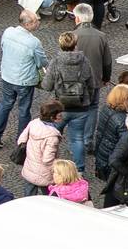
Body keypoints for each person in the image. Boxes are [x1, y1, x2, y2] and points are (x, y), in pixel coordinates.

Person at [40, 32, 99, 174]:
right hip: (81, 107)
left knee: (52, 135)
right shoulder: (84, 61)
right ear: (75, 44)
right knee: (77, 139)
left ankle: (51, 164)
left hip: (60, 108)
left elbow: (47, 85)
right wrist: (87, 99)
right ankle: (79, 170)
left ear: (60, 44)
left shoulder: (55, 61)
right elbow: (91, 85)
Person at [0, 11, 46, 148]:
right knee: (24, 110)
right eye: (36, 21)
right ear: (28, 24)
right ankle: (22, 140)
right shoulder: (34, 42)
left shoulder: (8, 32)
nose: (38, 22)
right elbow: (41, 62)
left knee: (5, 105)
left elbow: (3, 47)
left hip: (8, 76)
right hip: (24, 81)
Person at [17, 100, 65, 196]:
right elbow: (47, 159)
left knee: (28, 197)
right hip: (45, 173)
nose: (62, 117)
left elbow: (21, 140)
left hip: (29, 168)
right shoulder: (52, 137)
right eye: (59, 115)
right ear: (52, 117)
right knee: (49, 196)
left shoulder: (34, 123)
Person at [94, 84, 128, 181]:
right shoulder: (122, 120)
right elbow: (127, 143)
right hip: (113, 161)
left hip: (102, 154)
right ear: (124, 99)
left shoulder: (106, 109)